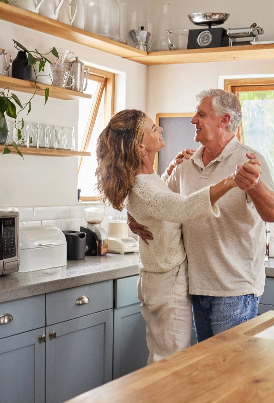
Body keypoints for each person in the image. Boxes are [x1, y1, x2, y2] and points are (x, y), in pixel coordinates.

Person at [96, 109, 257, 363]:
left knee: (165, 357)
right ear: (139, 148)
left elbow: (157, 201)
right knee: (169, 362)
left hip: (160, 278)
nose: (160, 130)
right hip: (166, 281)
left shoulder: (147, 177)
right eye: (153, 129)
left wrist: (170, 169)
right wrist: (231, 181)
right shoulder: (144, 187)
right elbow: (180, 207)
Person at [129, 89, 274, 342]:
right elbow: (161, 208)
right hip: (196, 287)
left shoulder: (248, 160)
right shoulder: (186, 165)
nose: (193, 120)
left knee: (230, 373)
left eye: (201, 114)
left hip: (235, 291)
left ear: (223, 120)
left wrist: (254, 185)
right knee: (209, 373)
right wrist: (133, 217)